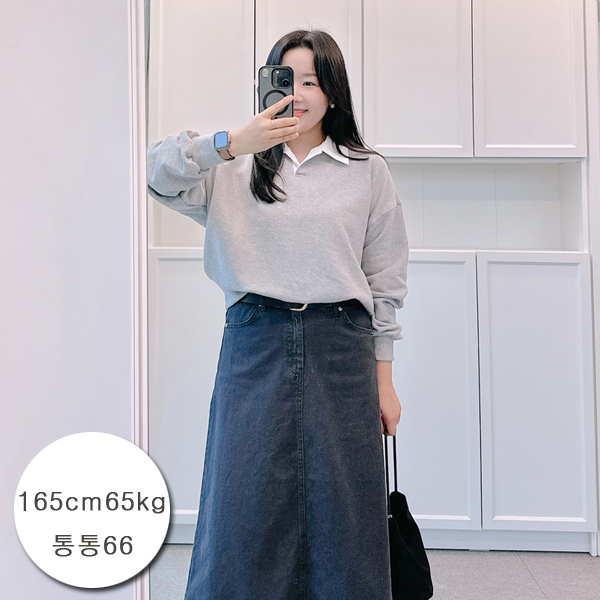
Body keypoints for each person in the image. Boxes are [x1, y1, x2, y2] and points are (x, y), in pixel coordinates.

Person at [147, 28, 408, 600]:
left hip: (341, 345)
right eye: (287, 79)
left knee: (344, 503)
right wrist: (230, 142)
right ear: (267, 86)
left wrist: (384, 381)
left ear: (333, 91)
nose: (299, 94)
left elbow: (384, 280)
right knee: (243, 497)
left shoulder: (367, 170)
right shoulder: (231, 165)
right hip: (255, 339)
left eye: (312, 81)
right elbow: (155, 174)